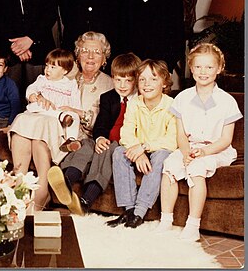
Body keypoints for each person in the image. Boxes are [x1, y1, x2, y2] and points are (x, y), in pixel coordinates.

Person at [156, 44, 242, 241]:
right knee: (169, 166)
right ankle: (166, 220)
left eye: (209, 67)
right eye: (199, 67)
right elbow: (180, 135)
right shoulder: (183, 98)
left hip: (215, 150)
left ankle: (193, 224)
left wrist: (203, 153)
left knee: (197, 168)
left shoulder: (227, 101)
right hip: (190, 146)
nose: (203, 72)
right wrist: (185, 152)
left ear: (219, 68)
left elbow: (225, 139)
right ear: (191, 68)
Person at [48, 53, 141, 215]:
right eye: (118, 80)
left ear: (136, 80)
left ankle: (86, 201)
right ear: (112, 78)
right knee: (87, 144)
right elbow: (101, 125)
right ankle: (66, 182)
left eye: (128, 80)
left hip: (124, 144)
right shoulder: (108, 98)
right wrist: (99, 138)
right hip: (105, 139)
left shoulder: (140, 100)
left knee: (107, 149)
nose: (122, 85)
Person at [107, 59, 177, 229]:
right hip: (138, 148)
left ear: (164, 82)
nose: (147, 84)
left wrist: (144, 147)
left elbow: (172, 140)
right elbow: (126, 132)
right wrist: (138, 153)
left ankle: (139, 211)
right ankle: (129, 210)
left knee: (161, 156)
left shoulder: (172, 105)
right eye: (142, 79)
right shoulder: (134, 103)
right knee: (118, 152)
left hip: (160, 149)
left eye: (153, 79)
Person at [9, 48, 81, 211]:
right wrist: (35, 96)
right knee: (22, 120)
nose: (47, 69)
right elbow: (30, 91)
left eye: (53, 67)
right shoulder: (41, 80)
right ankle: (20, 185)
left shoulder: (71, 85)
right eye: (47, 65)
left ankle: (42, 190)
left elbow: (76, 110)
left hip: (54, 123)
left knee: (40, 133)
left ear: (65, 70)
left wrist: (68, 110)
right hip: (36, 117)